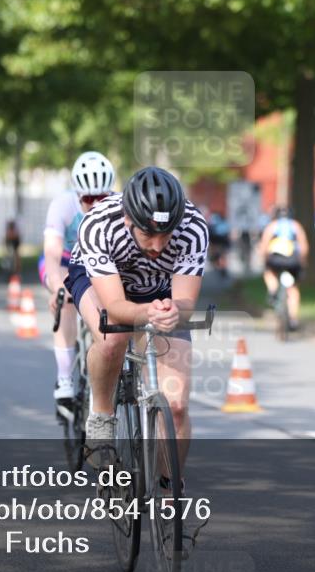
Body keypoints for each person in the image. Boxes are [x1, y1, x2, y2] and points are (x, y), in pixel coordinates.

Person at [64, 166, 208, 472]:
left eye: (166, 235)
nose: (157, 246)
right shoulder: (99, 225)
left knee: (176, 406)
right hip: (101, 282)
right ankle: (101, 414)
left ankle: (168, 490)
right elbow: (115, 306)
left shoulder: (193, 226)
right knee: (112, 338)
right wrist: (146, 313)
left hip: (159, 287)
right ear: (128, 219)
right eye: (148, 234)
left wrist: (173, 312)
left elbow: (185, 303)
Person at [40, 151, 116, 403]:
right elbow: (52, 254)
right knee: (66, 300)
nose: (95, 204)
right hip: (64, 261)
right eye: (89, 199)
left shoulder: (120, 205)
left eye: (102, 198)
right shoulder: (62, 205)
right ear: (77, 194)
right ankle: (65, 377)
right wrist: (57, 288)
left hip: (99, 262)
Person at [258, 206, 308, 331]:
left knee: (269, 273)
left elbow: (264, 245)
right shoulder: (296, 226)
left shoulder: (272, 226)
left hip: (275, 259)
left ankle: (273, 291)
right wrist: (302, 262)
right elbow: (304, 247)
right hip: (293, 260)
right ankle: (293, 319)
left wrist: (264, 260)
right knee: (293, 289)